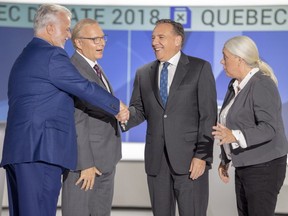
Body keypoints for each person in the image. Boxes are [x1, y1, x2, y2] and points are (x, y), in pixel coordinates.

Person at [0, 4, 129, 216]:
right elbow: (83, 87)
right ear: (50, 28)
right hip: (40, 152)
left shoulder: (26, 55)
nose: (68, 35)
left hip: (19, 152)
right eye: (66, 28)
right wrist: (117, 106)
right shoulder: (52, 55)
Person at [123, 19, 217, 216]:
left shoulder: (200, 68)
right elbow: (139, 110)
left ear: (178, 40)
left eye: (161, 37)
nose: (154, 42)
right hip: (157, 162)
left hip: (190, 161)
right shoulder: (143, 73)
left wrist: (202, 156)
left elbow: (208, 117)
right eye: (153, 37)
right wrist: (122, 115)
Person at [212, 35, 288, 216]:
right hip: (245, 164)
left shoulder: (262, 84)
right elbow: (230, 124)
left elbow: (269, 128)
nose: (222, 62)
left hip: (265, 168)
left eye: (225, 57)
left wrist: (235, 136)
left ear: (240, 59)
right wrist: (226, 159)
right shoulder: (235, 85)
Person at [61, 18, 122, 216]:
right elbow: (76, 118)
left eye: (103, 38)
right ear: (78, 42)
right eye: (95, 39)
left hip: (104, 161)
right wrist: (85, 163)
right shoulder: (74, 69)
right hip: (86, 165)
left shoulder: (94, 67)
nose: (102, 43)